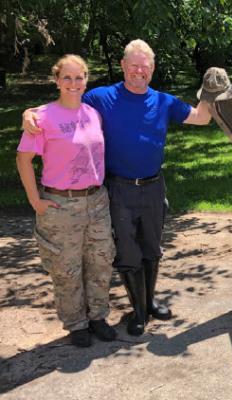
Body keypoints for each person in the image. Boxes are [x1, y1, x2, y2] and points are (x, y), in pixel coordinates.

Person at [22, 39, 212, 336]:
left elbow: (202, 118)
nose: (139, 71)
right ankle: (136, 312)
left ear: (152, 69)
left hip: (153, 186)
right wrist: (29, 113)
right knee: (127, 251)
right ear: (123, 66)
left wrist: (211, 91)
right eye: (133, 65)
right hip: (118, 188)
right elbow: (64, 105)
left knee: (152, 248)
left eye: (145, 66)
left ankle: (149, 304)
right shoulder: (101, 98)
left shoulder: (163, 101)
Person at [17, 54, 116, 347]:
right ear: (57, 80)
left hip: (96, 201)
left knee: (101, 261)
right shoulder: (42, 118)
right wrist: (35, 201)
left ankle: (98, 317)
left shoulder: (92, 114)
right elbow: (23, 160)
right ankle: (76, 323)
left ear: (86, 80)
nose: (74, 83)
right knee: (66, 267)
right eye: (67, 78)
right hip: (61, 205)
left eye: (79, 77)